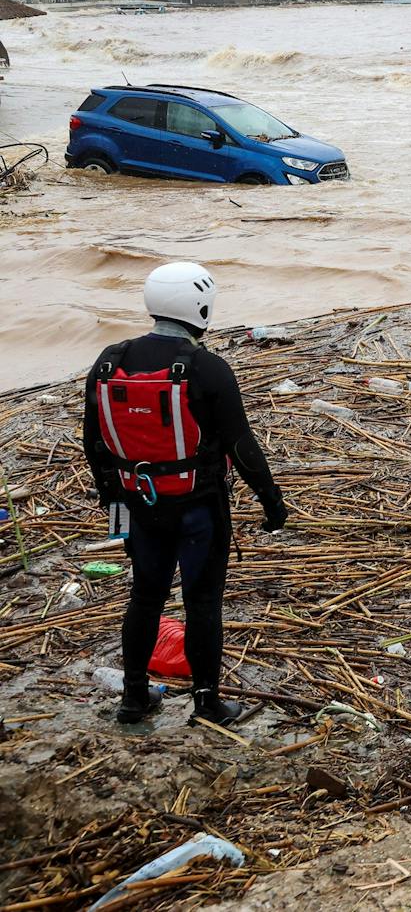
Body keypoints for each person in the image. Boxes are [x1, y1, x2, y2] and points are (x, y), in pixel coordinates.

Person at [82, 262, 286, 727]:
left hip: (137, 504)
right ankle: (208, 703)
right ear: (201, 307)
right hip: (199, 509)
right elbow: (241, 445)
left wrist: (112, 499)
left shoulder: (108, 361)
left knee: (145, 596)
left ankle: (134, 698)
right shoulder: (208, 368)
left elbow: (94, 442)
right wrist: (271, 501)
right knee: (202, 604)